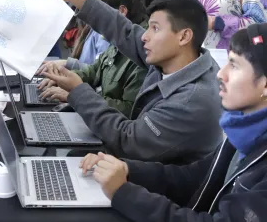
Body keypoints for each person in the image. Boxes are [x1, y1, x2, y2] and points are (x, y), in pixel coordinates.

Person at [78, 23, 267, 222]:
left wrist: (124, 192)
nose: (221, 74)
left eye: (234, 65)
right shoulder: (243, 134)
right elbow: (190, 178)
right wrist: (126, 169)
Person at [41, 0, 223, 164]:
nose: (145, 36)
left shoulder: (191, 100)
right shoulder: (178, 58)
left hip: (156, 184)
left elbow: (130, 142)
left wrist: (78, 92)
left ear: (183, 36)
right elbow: (123, 30)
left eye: (155, 28)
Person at [39, 0, 148, 117]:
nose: (93, 25)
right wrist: (64, 79)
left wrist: (77, 95)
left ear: (121, 12)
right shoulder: (119, 41)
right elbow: (94, 70)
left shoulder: (146, 50)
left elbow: (130, 110)